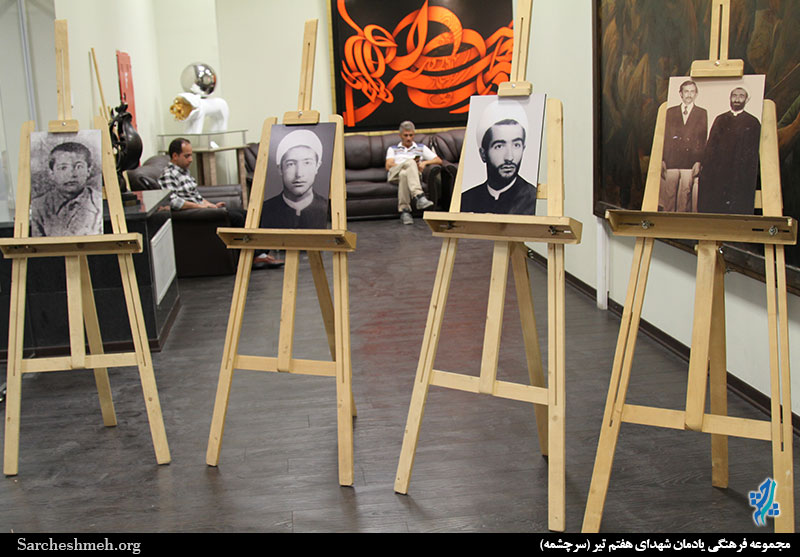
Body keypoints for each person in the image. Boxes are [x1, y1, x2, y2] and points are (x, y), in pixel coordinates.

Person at [158, 137, 282, 268]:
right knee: (238, 218)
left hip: (201, 209)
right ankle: (255, 257)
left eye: (191, 155)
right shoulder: (168, 175)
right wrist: (201, 207)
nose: (191, 160)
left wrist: (211, 205)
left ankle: (260, 253)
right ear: (175, 156)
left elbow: (196, 196)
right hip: (194, 215)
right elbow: (173, 202)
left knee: (247, 214)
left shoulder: (184, 173)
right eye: (186, 156)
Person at [461, 101, 537, 215]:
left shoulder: (532, 199)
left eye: (516, 145)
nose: (509, 157)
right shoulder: (467, 199)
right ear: (483, 154)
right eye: (499, 146)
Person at [697, 87, 761, 214]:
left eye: (741, 96)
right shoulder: (720, 119)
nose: (737, 99)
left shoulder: (753, 122)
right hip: (719, 173)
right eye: (734, 96)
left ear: (746, 99)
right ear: (730, 98)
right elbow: (711, 146)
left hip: (739, 174)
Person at [30, 141, 102, 237]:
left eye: (79, 167)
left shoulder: (99, 203)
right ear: (51, 173)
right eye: (63, 168)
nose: (72, 174)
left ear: (89, 170)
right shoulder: (38, 206)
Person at [260, 129, 328, 229]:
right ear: (280, 169)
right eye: (291, 164)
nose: (299, 174)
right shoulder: (263, 211)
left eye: (307, 163)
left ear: (317, 166)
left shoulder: (329, 210)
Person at [660, 80, 708, 212]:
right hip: (671, 160)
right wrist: (663, 159)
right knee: (669, 193)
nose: (689, 95)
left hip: (689, 161)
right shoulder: (670, 112)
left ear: (696, 94)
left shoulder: (701, 113)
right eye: (686, 91)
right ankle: (668, 219)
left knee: (685, 194)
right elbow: (665, 137)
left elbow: (701, 139)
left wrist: (698, 161)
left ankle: (681, 219)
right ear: (680, 93)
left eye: (692, 91)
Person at [385, 121, 440, 225]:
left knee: (404, 174)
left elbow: (438, 160)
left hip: (411, 176)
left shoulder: (421, 148)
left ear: (414, 135)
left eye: (411, 135)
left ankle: (405, 212)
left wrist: (425, 163)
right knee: (410, 163)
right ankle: (419, 196)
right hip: (394, 175)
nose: (409, 138)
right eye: (406, 135)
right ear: (400, 135)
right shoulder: (393, 149)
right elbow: (388, 166)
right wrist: (408, 164)